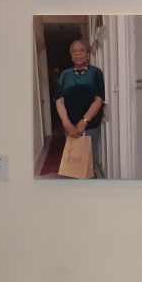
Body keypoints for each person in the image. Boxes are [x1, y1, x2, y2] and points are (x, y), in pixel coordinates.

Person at [54, 39, 105, 178]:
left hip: (90, 125)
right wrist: (66, 123)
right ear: (71, 56)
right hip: (69, 125)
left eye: (82, 50)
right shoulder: (65, 75)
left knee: (87, 163)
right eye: (74, 52)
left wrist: (84, 121)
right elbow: (59, 100)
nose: (78, 54)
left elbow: (98, 99)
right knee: (74, 161)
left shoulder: (96, 73)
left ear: (88, 55)